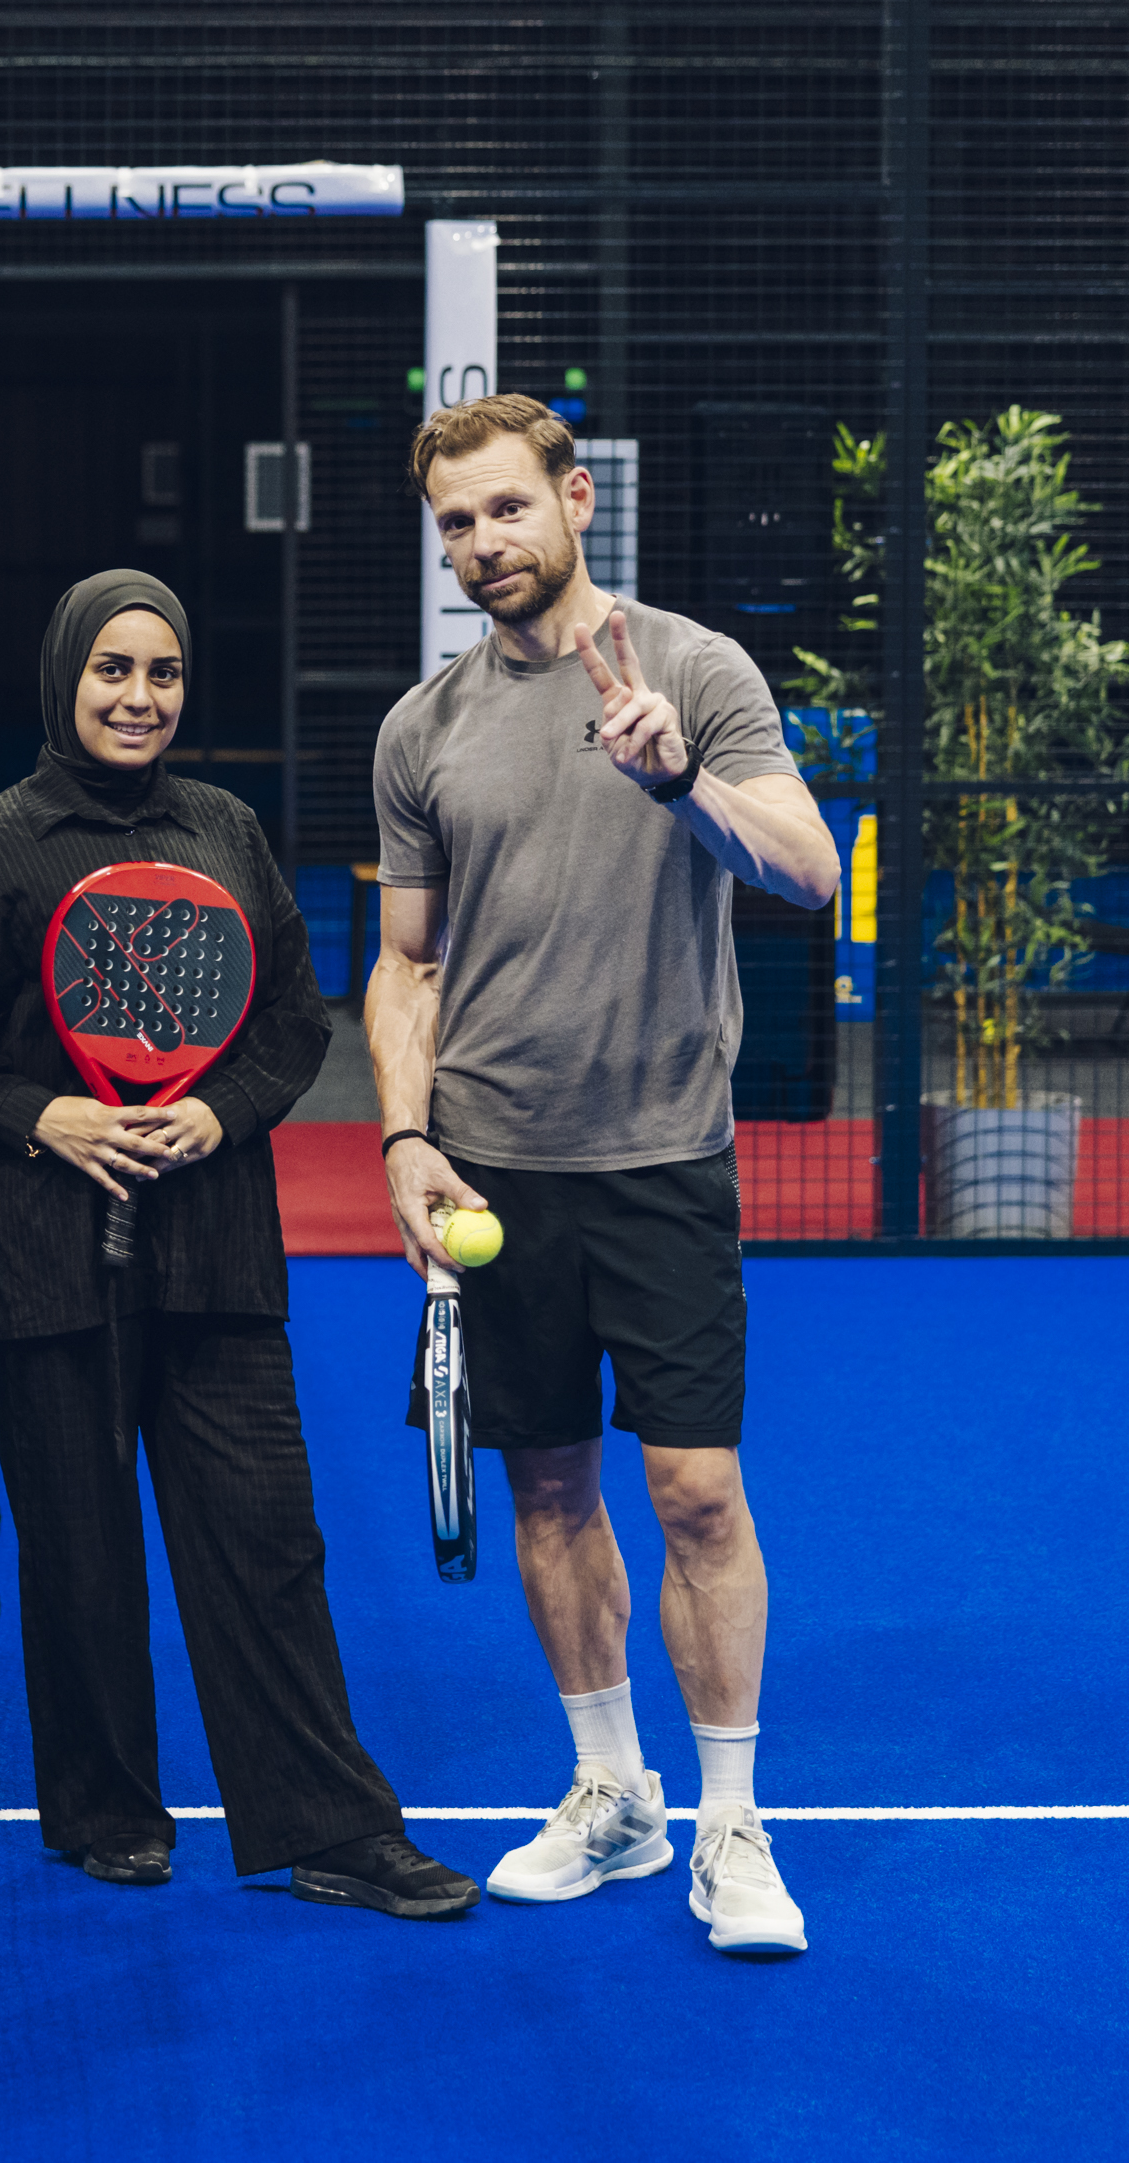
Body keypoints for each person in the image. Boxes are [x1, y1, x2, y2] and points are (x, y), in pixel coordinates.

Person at [0, 570, 477, 1918]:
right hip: (48, 1258)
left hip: (217, 1252)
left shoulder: (226, 828)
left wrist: (220, 1117)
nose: (139, 697)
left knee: (267, 1537)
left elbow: (293, 1021)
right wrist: (41, 1110)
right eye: (114, 670)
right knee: (80, 1546)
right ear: (65, 680)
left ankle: (331, 1825)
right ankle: (105, 1809)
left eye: (162, 673)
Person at [368, 392, 842, 1957]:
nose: (480, 544)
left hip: (661, 1159)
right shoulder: (421, 730)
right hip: (498, 1169)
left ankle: (733, 1827)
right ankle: (610, 1792)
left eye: (506, 509)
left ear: (576, 499)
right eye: (454, 523)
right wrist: (405, 1134)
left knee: (697, 1490)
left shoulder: (692, 671)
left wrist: (675, 785)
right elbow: (406, 969)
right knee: (552, 1486)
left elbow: (811, 867)